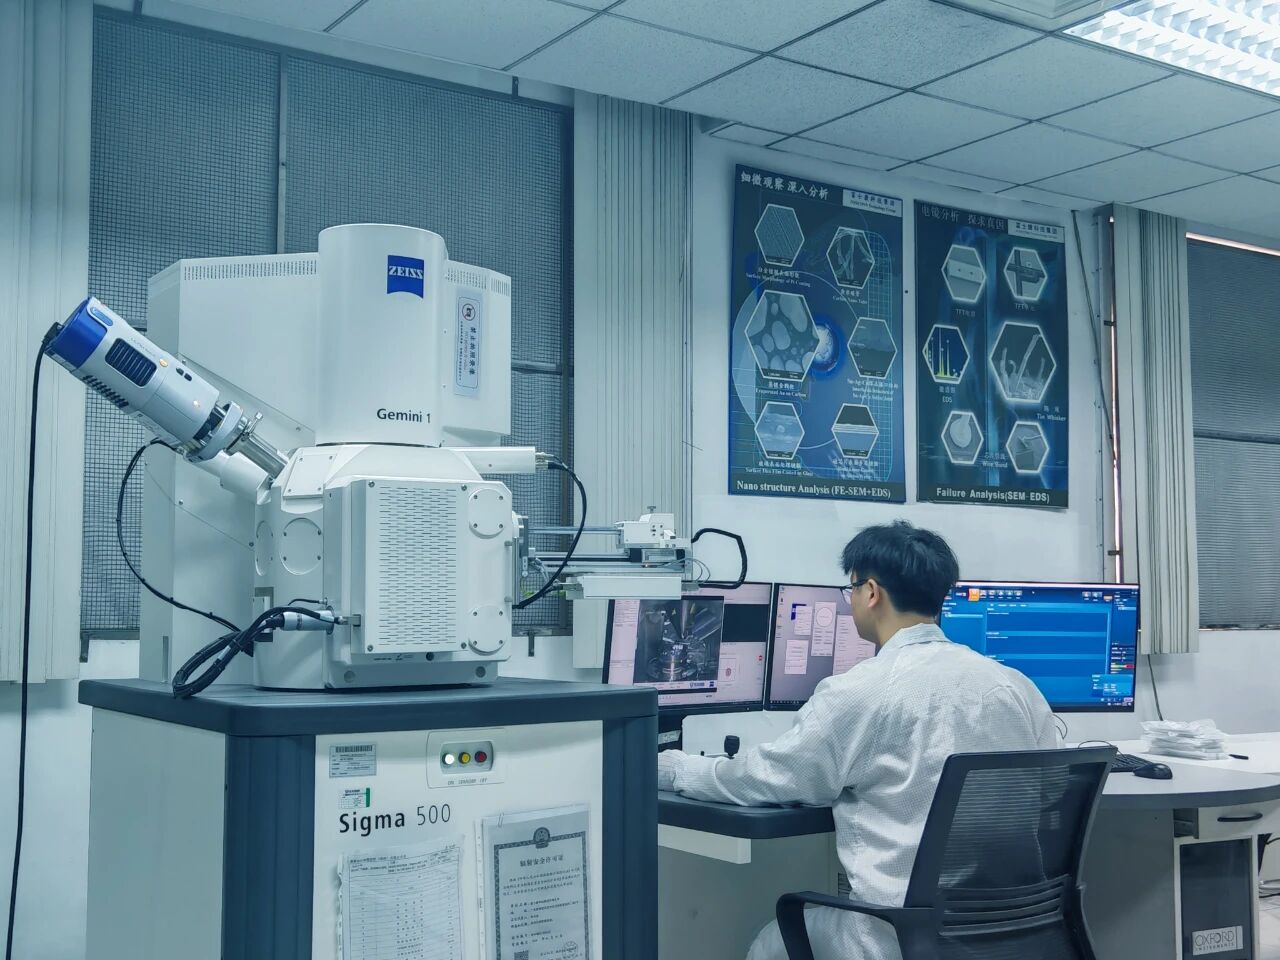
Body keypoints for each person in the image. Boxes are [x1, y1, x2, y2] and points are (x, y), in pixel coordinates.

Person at [657, 521, 1061, 960]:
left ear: (870, 592)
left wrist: (677, 770)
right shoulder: (1015, 687)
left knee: (771, 944)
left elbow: (769, 778)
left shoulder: (861, 690)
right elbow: (1050, 791)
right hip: (1013, 931)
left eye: (849, 589)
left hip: (898, 937)